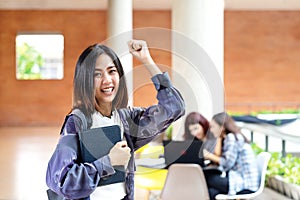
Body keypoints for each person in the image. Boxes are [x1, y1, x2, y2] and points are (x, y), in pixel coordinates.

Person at [46, 39, 185, 200]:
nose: (107, 80)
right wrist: (109, 161)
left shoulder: (126, 120)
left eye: (111, 71)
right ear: (85, 80)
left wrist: (147, 60)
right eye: (97, 74)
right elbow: (62, 181)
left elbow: (174, 107)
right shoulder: (77, 122)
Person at [203, 112, 260, 200]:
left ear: (222, 127)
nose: (211, 130)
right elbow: (221, 157)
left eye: (213, 127)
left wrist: (209, 156)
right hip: (240, 181)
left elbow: (227, 164)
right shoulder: (230, 137)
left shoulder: (232, 138)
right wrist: (219, 137)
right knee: (211, 192)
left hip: (244, 184)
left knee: (206, 176)